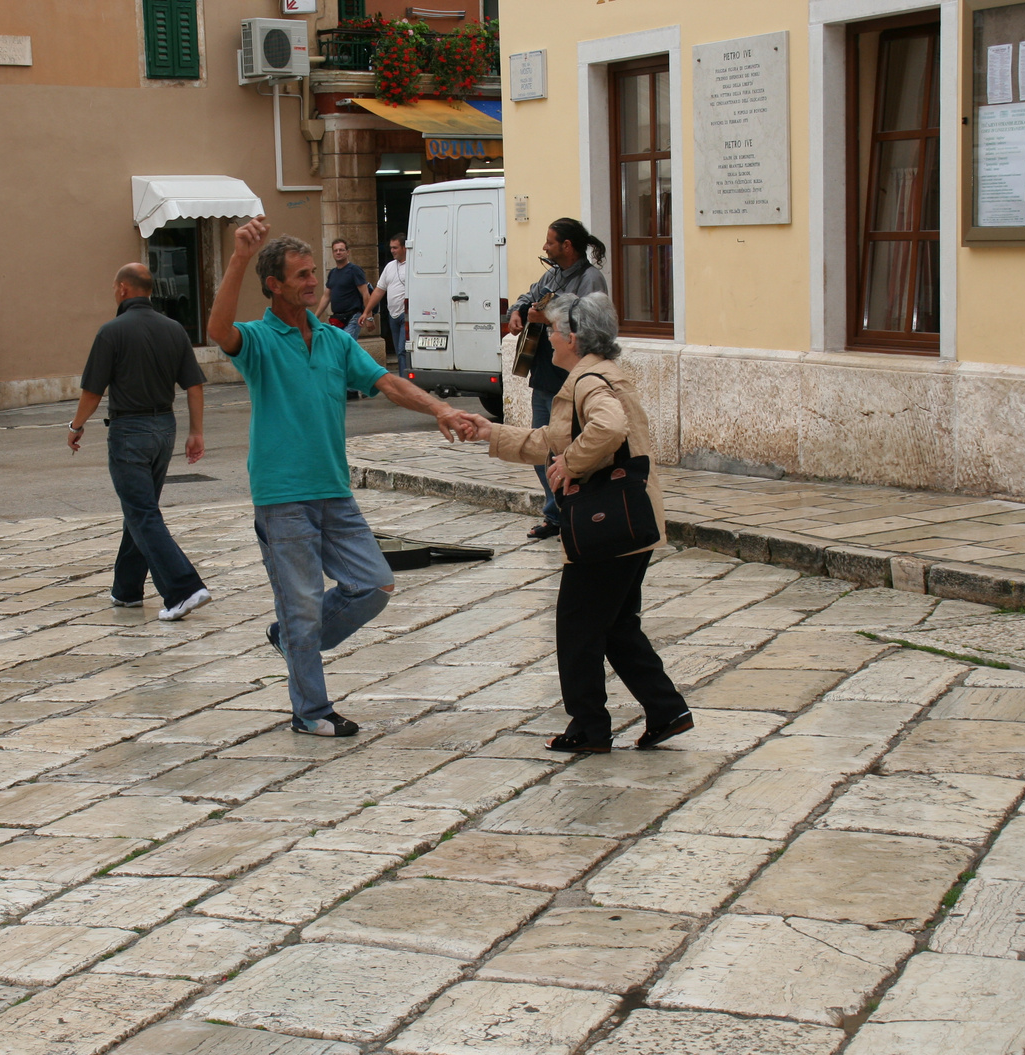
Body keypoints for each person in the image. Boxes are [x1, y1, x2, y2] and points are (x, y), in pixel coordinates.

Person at [207, 217, 475, 737]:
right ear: (274, 286)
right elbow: (219, 332)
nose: (314, 282)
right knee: (303, 603)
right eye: (302, 275)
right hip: (282, 497)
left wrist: (438, 409)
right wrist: (239, 255)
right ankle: (310, 711)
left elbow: (387, 382)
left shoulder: (333, 341)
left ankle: (293, 637)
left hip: (334, 490)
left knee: (373, 585)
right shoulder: (259, 342)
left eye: (314, 273)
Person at [465, 292, 692, 754]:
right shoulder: (594, 376)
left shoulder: (588, 381)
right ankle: (667, 710)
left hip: (607, 526)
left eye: (552, 329)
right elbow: (551, 438)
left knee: (577, 628)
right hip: (633, 522)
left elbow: (607, 431)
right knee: (616, 626)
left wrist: (569, 464)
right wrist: (492, 433)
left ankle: (590, 727)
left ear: (575, 336)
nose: (546, 337)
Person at [68, 263, 212, 622]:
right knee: (140, 508)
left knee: (143, 513)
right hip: (165, 428)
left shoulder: (111, 332)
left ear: (122, 290)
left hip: (129, 430)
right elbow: (193, 385)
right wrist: (197, 431)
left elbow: (92, 390)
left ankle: (182, 588)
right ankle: (127, 589)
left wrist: (76, 425)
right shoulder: (175, 329)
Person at [505, 219, 609, 541]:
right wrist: (519, 310)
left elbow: (589, 320)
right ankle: (555, 513)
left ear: (567, 246)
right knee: (542, 450)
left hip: (572, 379)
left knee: (572, 451)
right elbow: (529, 295)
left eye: (550, 242)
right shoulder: (552, 274)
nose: (544, 247)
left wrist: (548, 315)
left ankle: (577, 513)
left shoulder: (591, 279)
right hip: (545, 376)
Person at [360, 232, 409, 376]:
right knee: (398, 349)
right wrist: (366, 311)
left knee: (402, 350)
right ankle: (404, 381)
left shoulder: (413, 265)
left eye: (395, 247)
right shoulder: (389, 267)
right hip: (392, 315)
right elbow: (378, 291)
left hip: (406, 314)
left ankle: (405, 382)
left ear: (404, 248)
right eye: (391, 248)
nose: (392, 250)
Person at [313, 237, 369, 341]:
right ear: (333, 253)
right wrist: (315, 317)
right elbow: (326, 296)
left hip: (353, 316)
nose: (338, 252)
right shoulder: (333, 273)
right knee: (339, 347)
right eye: (335, 250)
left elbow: (365, 294)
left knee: (346, 345)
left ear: (347, 252)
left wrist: (368, 316)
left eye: (341, 250)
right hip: (337, 318)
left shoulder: (354, 270)